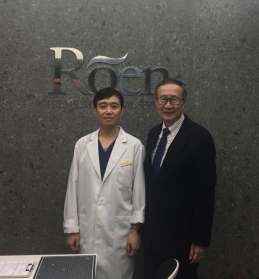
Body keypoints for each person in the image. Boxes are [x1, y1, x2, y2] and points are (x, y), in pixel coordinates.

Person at [63, 87, 145, 279]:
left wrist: (135, 230)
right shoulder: (82, 145)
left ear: (121, 110)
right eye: (103, 106)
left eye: (114, 106)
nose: (108, 111)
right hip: (88, 231)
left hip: (119, 233)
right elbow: (72, 187)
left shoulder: (134, 146)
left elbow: (139, 192)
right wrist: (72, 228)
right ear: (95, 110)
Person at [143, 79, 217, 279]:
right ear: (156, 102)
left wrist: (200, 239)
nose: (168, 105)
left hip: (182, 240)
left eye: (174, 99)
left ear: (184, 102)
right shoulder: (153, 134)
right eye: (163, 99)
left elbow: (206, 192)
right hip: (152, 238)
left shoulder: (199, 138)